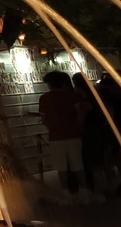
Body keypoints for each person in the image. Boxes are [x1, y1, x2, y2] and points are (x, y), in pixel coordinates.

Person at [35, 70, 86, 200]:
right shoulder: (72, 96)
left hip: (56, 137)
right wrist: (77, 126)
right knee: (78, 165)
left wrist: (51, 128)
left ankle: (66, 195)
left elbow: (44, 119)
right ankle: (85, 193)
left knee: (61, 167)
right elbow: (81, 113)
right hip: (74, 136)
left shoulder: (45, 98)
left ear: (50, 84)